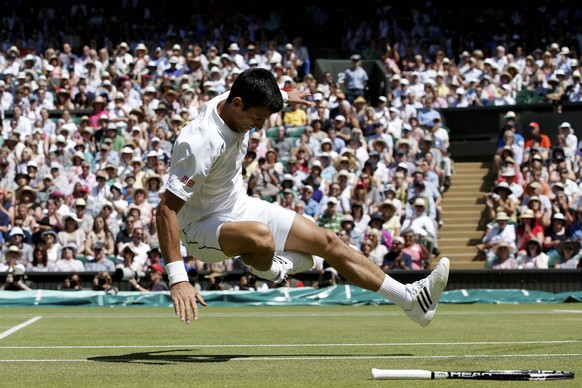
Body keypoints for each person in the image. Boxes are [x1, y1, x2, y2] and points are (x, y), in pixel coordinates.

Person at [156, 67, 450, 325]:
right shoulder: (199, 142)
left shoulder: (241, 96)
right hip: (199, 228)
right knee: (260, 237)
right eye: (257, 118)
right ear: (237, 103)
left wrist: (284, 96)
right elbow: (166, 210)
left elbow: (263, 94)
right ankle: (274, 270)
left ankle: (411, 300)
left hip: (238, 205)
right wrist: (178, 278)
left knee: (327, 241)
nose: (259, 127)